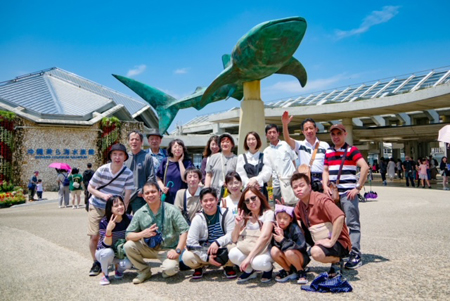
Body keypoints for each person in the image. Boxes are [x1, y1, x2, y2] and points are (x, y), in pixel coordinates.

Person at [322, 124, 369, 270]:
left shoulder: (351, 150)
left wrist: (357, 188)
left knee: (352, 224)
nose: (336, 136)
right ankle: (341, 251)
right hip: (334, 194)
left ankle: (355, 254)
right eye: (333, 134)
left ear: (345, 134)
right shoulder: (328, 152)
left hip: (348, 194)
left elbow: (365, 167)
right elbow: (325, 170)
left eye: (339, 133)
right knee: (336, 224)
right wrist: (325, 186)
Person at [124, 181, 189, 284]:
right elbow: (128, 235)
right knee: (128, 245)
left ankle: (166, 268)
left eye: (153, 192)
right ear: (143, 196)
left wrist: (178, 251)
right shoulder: (140, 213)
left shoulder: (171, 210)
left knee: (170, 270)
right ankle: (144, 271)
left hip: (168, 250)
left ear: (159, 193)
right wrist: (142, 234)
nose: (150, 195)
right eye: (147, 193)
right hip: (148, 248)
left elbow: (184, 231)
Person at [87, 143, 134, 277]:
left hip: (115, 208)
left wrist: (122, 210)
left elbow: (127, 195)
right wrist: (103, 196)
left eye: (120, 154)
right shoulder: (102, 170)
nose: (117, 157)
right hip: (97, 204)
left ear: (125, 157)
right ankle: (96, 262)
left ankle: (114, 259)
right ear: (110, 156)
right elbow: (90, 188)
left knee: (116, 234)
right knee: (95, 235)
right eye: (114, 154)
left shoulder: (128, 173)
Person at [292, 172, 351, 277]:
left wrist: (331, 241)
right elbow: (294, 218)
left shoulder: (321, 199)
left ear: (309, 186)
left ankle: (337, 260)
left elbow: (340, 217)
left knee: (316, 253)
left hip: (339, 241)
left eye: (302, 185)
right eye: (295, 187)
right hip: (318, 236)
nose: (298, 189)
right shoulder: (300, 204)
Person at [182, 187, 237, 279]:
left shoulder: (226, 213)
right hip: (205, 250)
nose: (209, 203)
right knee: (187, 257)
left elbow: (231, 234)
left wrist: (217, 242)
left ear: (216, 200)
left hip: (222, 248)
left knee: (234, 249)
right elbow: (191, 242)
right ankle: (199, 267)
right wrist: (206, 258)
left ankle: (228, 266)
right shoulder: (197, 218)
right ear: (201, 202)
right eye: (205, 201)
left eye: (211, 200)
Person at [229, 186, 275, 283]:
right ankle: (250, 271)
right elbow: (234, 239)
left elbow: (265, 237)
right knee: (232, 253)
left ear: (260, 197)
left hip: (264, 251)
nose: (251, 202)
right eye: (247, 201)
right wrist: (237, 225)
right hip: (248, 249)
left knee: (257, 263)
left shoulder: (268, 213)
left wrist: (248, 259)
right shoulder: (245, 216)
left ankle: (268, 269)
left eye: (253, 198)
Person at [282, 114, 330, 189]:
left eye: (311, 128)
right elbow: (287, 139)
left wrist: (326, 181)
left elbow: (329, 165)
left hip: (322, 181)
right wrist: (285, 124)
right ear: (303, 132)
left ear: (316, 129)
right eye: (306, 129)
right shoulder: (300, 145)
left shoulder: (325, 145)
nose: (309, 131)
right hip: (306, 181)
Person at [95, 195, 133, 285]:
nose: (120, 207)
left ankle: (118, 269)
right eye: (116, 206)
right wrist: (109, 230)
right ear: (110, 208)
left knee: (128, 263)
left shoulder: (129, 219)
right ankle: (105, 274)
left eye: (121, 204)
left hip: (119, 253)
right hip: (104, 252)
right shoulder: (104, 222)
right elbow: (105, 245)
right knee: (108, 252)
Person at [257, 124, 297, 205]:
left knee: (293, 206)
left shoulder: (286, 145)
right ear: (266, 135)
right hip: (276, 185)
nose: (272, 135)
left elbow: (294, 161)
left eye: (274, 132)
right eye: (269, 133)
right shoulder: (266, 151)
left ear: (278, 133)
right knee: (279, 208)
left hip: (290, 181)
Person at [271, 204, 310, 284]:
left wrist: (283, 239)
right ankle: (288, 271)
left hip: (299, 257)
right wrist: (280, 236)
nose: (282, 221)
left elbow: (301, 246)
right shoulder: (276, 229)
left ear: (291, 219)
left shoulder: (295, 228)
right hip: (287, 257)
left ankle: (300, 271)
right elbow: (277, 246)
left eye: (285, 218)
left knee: (289, 252)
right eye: (279, 218)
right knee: (273, 250)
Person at [125, 130, 157, 213]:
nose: (134, 142)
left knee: (142, 222)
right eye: (132, 139)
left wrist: (143, 191)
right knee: (123, 222)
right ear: (128, 142)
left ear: (141, 142)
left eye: (137, 139)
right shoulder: (125, 157)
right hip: (125, 196)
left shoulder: (147, 157)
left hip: (139, 197)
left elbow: (151, 176)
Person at [156, 139, 193, 205]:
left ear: (183, 149)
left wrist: (180, 162)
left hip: (182, 196)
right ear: (171, 150)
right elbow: (158, 177)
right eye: (175, 147)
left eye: (180, 147)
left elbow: (185, 179)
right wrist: (162, 187)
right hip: (168, 196)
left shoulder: (187, 162)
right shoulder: (165, 161)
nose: (177, 149)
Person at [236, 131, 270, 200]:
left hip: (262, 191)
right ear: (246, 142)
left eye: (253, 139)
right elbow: (240, 175)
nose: (251, 141)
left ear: (258, 141)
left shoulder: (265, 156)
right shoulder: (241, 157)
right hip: (247, 191)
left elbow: (267, 173)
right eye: (248, 139)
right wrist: (249, 183)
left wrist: (255, 180)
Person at [205, 133, 238, 199]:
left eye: (227, 142)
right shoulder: (213, 157)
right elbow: (208, 175)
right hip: (214, 193)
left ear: (232, 145)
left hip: (230, 193)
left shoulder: (236, 159)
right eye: (222, 142)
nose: (225, 144)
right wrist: (206, 189)